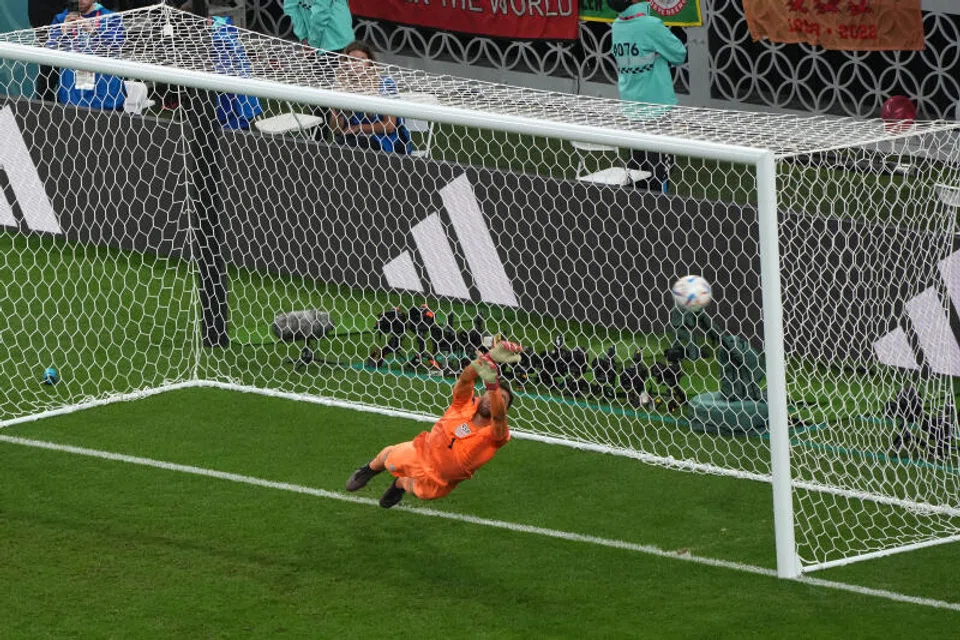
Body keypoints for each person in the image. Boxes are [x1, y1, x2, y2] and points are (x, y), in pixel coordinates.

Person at [346, 338, 524, 508]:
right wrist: (488, 358)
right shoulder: (463, 404)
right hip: (421, 454)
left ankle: (399, 484)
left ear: (504, 409)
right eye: (492, 395)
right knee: (389, 458)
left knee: (420, 492)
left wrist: (493, 387)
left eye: (502, 399)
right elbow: (465, 379)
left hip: (441, 479)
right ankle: (368, 471)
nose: (493, 400)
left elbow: (499, 417)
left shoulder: (496, 435)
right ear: (482, 394)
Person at [608, 0, 686, 193]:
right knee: (660, 167)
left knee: (638, 165)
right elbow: (679, 54)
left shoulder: (617, 26)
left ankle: (640, 212)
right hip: (656, 109)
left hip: (630, 108)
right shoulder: (651, 25)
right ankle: (661, 212)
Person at [328, 41, 412, 154]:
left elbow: (390, 126)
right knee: (336, 148)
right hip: (354, 137)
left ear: (369, 63)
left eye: (362, 60)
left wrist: (359, 127)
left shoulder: (384, 83)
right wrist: (337, 110)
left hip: (388, 139)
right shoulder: (342, 84)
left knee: (351, 149)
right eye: (352, 60)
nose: (357, 64)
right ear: (346, 63)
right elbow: (336, 129)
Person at [46, 1, 126, 110]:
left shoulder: (110, 18)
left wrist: (94, 32)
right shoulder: (61, 19)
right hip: (72, 97)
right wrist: (63, 33)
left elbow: (117, 45)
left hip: (106, 97)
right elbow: (49, 52)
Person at [283, 0, 354, 54]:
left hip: (338, 42)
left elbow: (320, 13)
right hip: (326, 42)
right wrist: (304, 37)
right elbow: (291, 8)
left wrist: (309, 41)